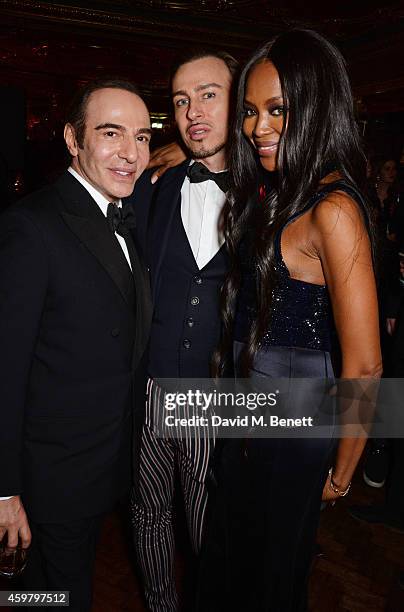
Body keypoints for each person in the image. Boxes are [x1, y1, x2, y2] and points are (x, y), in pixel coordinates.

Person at [196, 29, 382, 612]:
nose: (257, 127)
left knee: (267, 580)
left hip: (293, 432)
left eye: (278, 109)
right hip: (249, 416)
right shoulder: (281, 193)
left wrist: (345, 470)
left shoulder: (334, 209)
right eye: (250, 112)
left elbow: (366, 363)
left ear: (317, 105)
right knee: (228, 564)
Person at [0, 79, 152, 611]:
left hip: (102, 464)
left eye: (142, 136)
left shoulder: (123, 213)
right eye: (111, 133)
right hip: (53, 473)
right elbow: (5, 368)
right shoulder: (30, 227)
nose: (130, 153)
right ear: (73, 138)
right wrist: (3, 490)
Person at [128, 50, 238, 612]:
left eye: (208, 94)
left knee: (205, 520)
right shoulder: (154, 185)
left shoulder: (271, 193)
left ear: (237, 98)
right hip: (150, 385)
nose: (192, 111)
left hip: (215, 396)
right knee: (147, 512)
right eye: (180, 100)